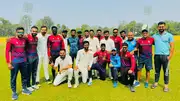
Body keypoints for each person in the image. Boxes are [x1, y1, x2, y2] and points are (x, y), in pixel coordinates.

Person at [5, 27, 31, 100]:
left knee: (24, 76)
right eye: (19, 32)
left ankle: (24, 89)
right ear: (16, 32)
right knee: (13, 78)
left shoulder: (24, 39)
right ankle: (14, 92)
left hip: (23, 61)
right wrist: (8, 63)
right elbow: (7, 51)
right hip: (15, 62)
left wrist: (27, 37)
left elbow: (29, 42)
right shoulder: (11, 40)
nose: (21, 33)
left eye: (22, 32)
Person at [151, 21, 174, 92]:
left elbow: (172, 46)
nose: (161, 28)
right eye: (160, 27)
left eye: (162, 26)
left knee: (166, 71)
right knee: (156, 71)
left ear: (165, 27)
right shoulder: (154, 36)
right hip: (157, 56)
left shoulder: (169, 35)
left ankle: (166, 86)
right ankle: (156, 83)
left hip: (165, 56)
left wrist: (170, 56)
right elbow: (148, 43)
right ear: (157, 27)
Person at [26, 26, 39, 92]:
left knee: (34, 71)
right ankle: (28, 85)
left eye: (36, 31)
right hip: (29, 57)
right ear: (31, 31)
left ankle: (33, 84)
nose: (34, 32)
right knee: (29, 72)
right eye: (33, 31)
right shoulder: (27, 37)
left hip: (36, 57)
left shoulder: (36, 38)